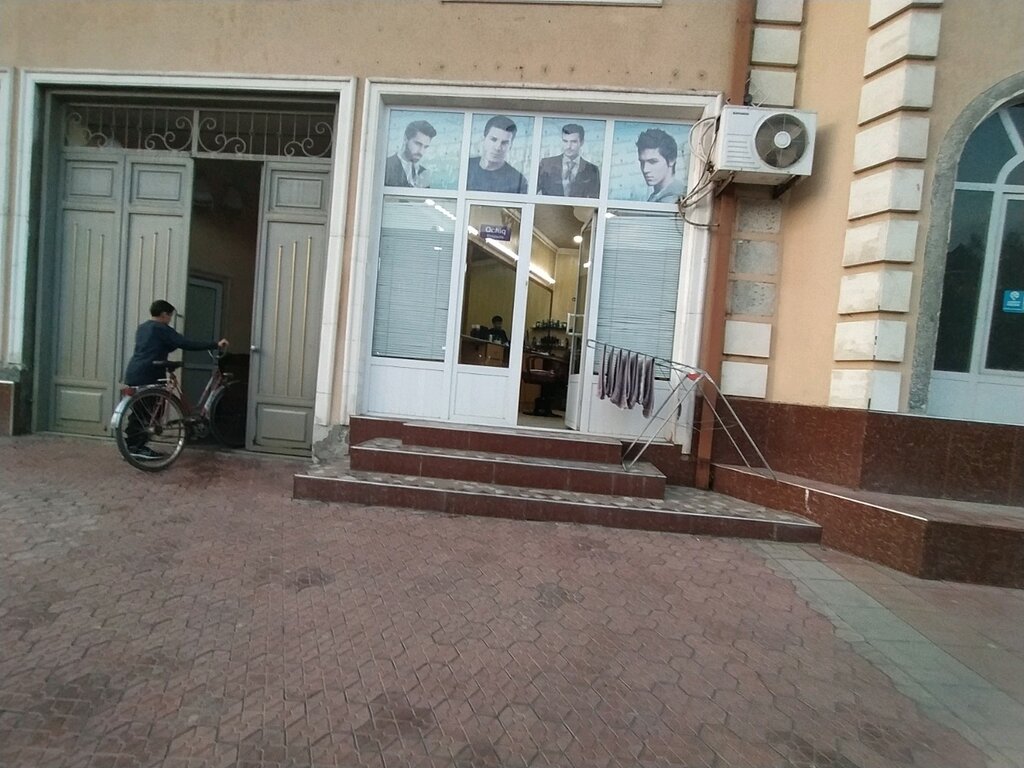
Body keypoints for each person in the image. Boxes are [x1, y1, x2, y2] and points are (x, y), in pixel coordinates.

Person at [122, 300, 228, 459]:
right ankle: (138, 448)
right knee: (151, 413)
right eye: (170, 316)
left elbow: (161, 345)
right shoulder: (161, 328)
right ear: (164, 314)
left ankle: (131, 446)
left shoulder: (143, 327)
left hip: (134, 372)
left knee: (139, 412)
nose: (170, 319)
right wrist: (215, 344)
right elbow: (186, 343)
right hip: (150, 372)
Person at [466, 115, 528, 194]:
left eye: (504, 143)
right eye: (493, 139)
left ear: (511, 146)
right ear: (483, 140)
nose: (498, 147)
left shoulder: (518, 181)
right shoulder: (466, 167)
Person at [537, 123, 601, 198]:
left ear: (581, 142)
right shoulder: (546, 164)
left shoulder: (592, 170)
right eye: (565, 141)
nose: (568, 146)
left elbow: (595, 199)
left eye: (573, 142)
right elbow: (532, 191)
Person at [636, 128, 685, 203]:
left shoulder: (674, 198)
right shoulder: (656, 196)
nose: (645, 169)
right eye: (642, 162)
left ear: (671, 160)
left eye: (652, 162)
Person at [384, 119, 437, 188]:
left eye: (425, 147)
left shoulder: (423, 173)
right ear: (405, 139)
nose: (421, 151)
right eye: (418, 144)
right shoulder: (386, 166)